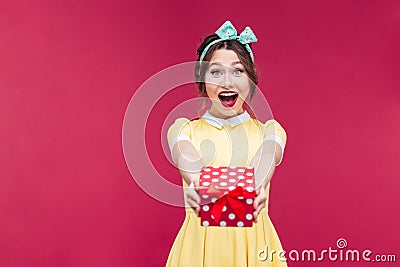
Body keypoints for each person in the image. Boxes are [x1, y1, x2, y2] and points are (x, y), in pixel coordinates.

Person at [166, 21, 288, 267]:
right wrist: (197, 181)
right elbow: (185, 156)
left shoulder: (269, 132)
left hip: (256, 250)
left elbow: (265, 159)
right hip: (198, 251)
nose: (227, 82)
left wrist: (256, 184)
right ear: (202, 78)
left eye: (238, 71)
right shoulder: (183, 129)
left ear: (250, 78)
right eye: (216, 72)